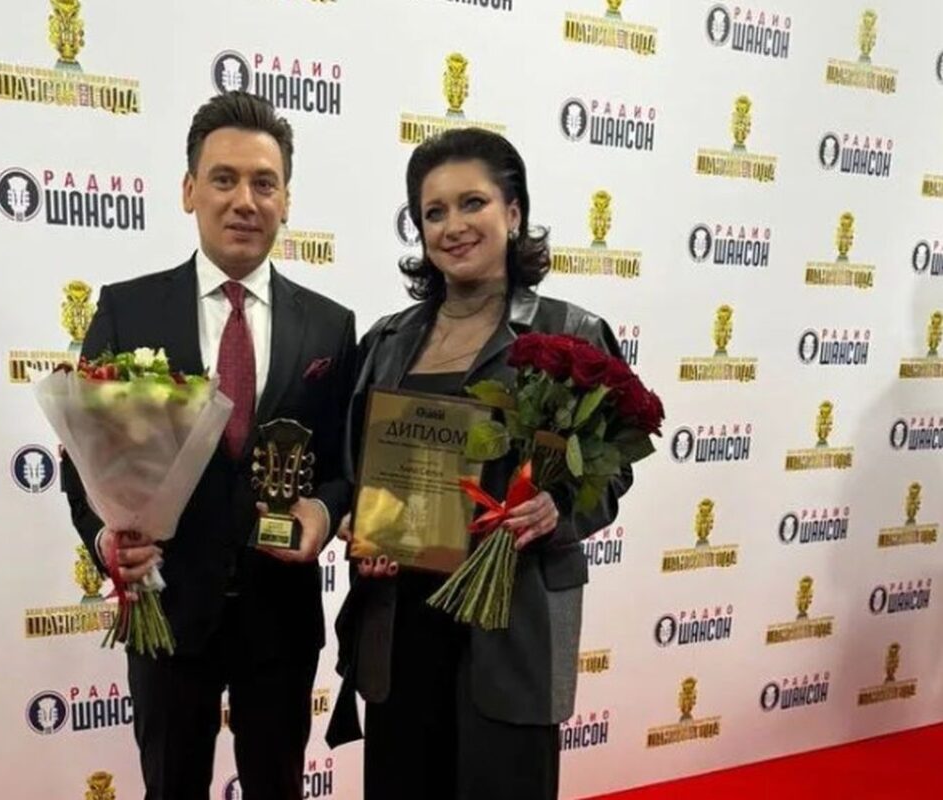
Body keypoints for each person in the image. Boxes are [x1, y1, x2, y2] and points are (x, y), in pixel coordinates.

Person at [60, 91, 357, 800]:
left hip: (280, 618)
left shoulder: (330, 326)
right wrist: (105, 540)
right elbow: (83, 459)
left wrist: (323, 511)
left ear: (286, 200)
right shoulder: (128, 308)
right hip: (167, 609)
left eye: (264, 183)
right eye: (224, 179)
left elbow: (345, 463)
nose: (244, 201)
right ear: (189, 189)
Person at [327, 128, 634, 800]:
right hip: (402, 622)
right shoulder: (387, 340)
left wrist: (557, 509)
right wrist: (362, 526)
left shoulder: (570, 335)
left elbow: (611, 471)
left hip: (512, 621)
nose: (453, 226)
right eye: (433, 212)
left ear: (513, 213)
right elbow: (357, 468)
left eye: (473, 203)